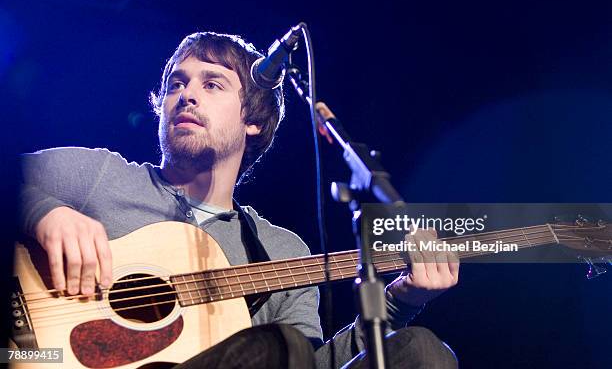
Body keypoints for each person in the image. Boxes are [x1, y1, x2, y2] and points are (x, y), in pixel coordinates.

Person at [20, 31, 459, 368]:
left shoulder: (280, 251)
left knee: (422, 351)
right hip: (34, 356)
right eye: (176, 83)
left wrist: (400, 301)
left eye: (212, 85)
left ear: (253, 120)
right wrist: (45, 211)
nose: (186, 95)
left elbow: (309, 363)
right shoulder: (98, 175)